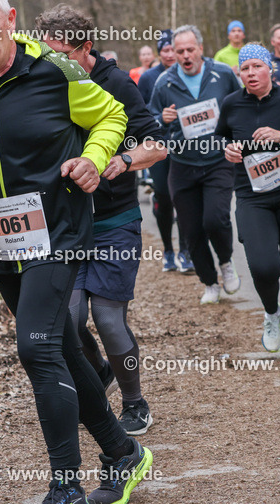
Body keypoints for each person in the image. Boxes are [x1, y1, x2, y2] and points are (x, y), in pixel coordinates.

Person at [0, 0, 153, 504]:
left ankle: (67, 490)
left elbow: (111, 116)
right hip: (3, 236)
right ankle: (123, 453)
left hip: (58, 230)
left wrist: (95, 160)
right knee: (64, 347)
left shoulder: (55, 70)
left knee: (35, 346)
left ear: (9, 20)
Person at [35, 4, 167, 435]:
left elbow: (158, 145)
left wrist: (124, 159)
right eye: (45, 55)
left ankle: (134, 401)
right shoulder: (39, 85)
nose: (52, 65)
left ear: (86, 47)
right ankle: (100, 375)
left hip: (114, 220)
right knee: (68, 323)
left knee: (109, 320)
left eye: (62, 56)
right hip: (65, 225)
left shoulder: (115, 84)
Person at [215, 44, 280, 358]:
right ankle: (272, 313)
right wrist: (227, 149)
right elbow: (220, 136)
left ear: (270, 69)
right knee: (264, 265)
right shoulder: (232, 104)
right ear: (239, 73)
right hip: (252, 195)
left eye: (256, 67)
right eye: (244, 69)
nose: (250, 74)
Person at [150, 24, 242, 304]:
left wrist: (237, 140)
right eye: (180, 51)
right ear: (173, 54)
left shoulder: (223, 74)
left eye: (191, 49)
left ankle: (225, 262)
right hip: (182, 164)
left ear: (201, 49)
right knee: (191, 229)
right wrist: (161, 120)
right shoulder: (164, 83)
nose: (186, 55)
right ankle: (209, 282)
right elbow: (149, 120)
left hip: (218, 161)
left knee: (215, 218)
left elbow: (241, 106)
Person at [138, 30, 192, 273]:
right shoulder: (149, 78)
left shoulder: (189, 73)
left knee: (184, 198)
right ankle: (168, 251)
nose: (170, 54)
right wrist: (161, 118)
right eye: (166, 50)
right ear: (159, 53)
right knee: (164, 197)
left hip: (186, 147)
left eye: (174, 49)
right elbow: (140, 115)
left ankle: (186, 252)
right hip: (158, 148)